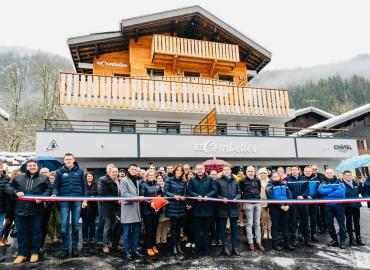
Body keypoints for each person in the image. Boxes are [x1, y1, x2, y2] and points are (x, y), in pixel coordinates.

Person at [6, 159, 51, 264]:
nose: (32, 167)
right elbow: (8, 187)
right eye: (30, 165)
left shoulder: (44, 178)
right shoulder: (18, 177)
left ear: (37, 167)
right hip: (20, 210)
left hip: (36, 210)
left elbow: (48, 189)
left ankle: (34, 253)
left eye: (34, 165)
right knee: (21, 233)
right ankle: (22, 254)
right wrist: (15, 192)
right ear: (26, 167)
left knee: (36, 232)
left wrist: (42, 197)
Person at [53, 153, 87, 258]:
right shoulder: (59, 172)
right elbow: (55, 186)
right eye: (66, 159)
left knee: (76, 226)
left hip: (77, 200)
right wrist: (55, 194)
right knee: (64, 227)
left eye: (70, 159)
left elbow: (84, 186)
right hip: (64, 201)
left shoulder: (80, 171)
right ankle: (65, 249)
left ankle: (75, 248)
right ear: (64, 160)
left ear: (73, 160)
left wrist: (85, 199)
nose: (68, 161)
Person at [187, 164, 217, 256]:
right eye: (198, 169)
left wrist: (208, 196)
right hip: (196, 209)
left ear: (204, 170)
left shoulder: (210, 179)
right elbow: (189, 191)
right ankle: (197, 249)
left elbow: (214, 190)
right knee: (197, 230)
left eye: (201, 169)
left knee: (206, 230)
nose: (199, 170)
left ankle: (206, 249)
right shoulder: (192, 180)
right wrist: (197, 196)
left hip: (207, 208)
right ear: (196, 170)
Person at [266, 172, 295, 251]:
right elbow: (270, 196)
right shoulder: (269, 185)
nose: (275, 178)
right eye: (274, 177)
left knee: (285, 226)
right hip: (274, 208)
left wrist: (288, 205)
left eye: (277, 176)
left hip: (286, 207)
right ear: (271, 177)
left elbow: (289, 195)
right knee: (275, 226)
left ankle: (287, 243)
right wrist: (281, 206)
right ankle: (275, 244)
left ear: (279, 177)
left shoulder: (284, 184)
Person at [318, 169, 346, 249]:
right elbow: (321, 191)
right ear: (325, 174)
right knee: (329, 223)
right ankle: (334, 239)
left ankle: (342, 240)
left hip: (338, 205)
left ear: (333, 173)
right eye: (327, 173)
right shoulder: (323, 183)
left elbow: (341, 192)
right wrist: (333, 190)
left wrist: (328, 194)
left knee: (341, 223)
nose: (329, 174)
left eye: (330, 173)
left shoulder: (339, 182)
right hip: (327, 206)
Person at [216, 165, 241, 256]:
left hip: (233, 207)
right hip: (222, 207)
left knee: (234, 229)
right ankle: (224, 247)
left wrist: (236, 198)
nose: (226, 171)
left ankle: (234, 247)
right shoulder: (218, 181)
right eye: (224, 170)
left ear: (230, 171)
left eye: (228, 170)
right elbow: (216, 194)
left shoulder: (235, 181)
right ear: (222, 171)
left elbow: (239, 193)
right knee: (222, 229)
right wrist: (222, 198)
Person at [286, 166, 313, 248]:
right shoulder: (288, 179)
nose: (294, 171)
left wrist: (303, 195)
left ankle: (308, 240)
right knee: (293, 222)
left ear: (299, 171)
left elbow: (307, 189)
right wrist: (296, 196)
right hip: (294, 203)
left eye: (295, 170)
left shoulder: (304, 179)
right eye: (292, 170)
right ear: (291, 171)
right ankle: (293, 240)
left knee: (305, 221)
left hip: (304, 202)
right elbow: (289, 191)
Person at [120, 164, 143, 259]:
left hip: (136, 210)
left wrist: (138, 199)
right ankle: (126, 251)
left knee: (136, 232)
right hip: (128, 209)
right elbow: (124, 195)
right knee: (126, 233)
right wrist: (137, 198)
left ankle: (134, 250)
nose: (134, 171)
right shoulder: (123, 180)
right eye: (132, 169)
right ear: (128, 170)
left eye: (135, 169)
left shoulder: (136, 181)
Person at [163, 165, 187, 255]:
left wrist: (184, 197)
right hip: (172, 207)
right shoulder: (169, 179)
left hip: (181, 207)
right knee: (173, 228)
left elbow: (185, 192)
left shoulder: (184, 181)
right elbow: (165, 191)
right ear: (175, 171)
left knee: (179, 229)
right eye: (178, 170)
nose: (179, 172)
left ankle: (178, 245)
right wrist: (174, 196)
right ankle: (173, 246)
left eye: (181, 171)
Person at [239, 166, 264, 251]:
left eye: (252, 171)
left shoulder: (257, 180)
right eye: (249, 171)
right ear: (246, 172)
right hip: (248, 203)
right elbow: (240, 192)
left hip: (257, 203)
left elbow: (259, 190)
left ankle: (258, 242)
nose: (250, 172)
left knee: (257, 224)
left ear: (254, 172)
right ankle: (250, 243)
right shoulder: (242, 181)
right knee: (249, 224)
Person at [99, 166, 122, 254]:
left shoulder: (119, 181)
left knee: (117, 226)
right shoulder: (103, 180)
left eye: (116, 171)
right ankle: (105, 245)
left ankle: (115, 244)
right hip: (108, 207)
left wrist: (121, 199)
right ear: (109, 172)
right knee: (107, 227)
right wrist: (116, 199)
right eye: (113, 172)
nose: (115, 173)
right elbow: (102, 193)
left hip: (118, 207)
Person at [140, 170, 163, 256]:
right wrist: (150, 203)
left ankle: (153, 245)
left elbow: (160, 195)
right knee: (148, 230)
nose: (151, 176)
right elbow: (142, 198)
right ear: (146, 176)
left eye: (153, 175)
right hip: (147, 211)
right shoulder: (143, 185)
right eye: (149, 175)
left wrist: (159, 205)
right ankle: (148, 247)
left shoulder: (157, 185)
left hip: (156, 210)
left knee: (154, 229)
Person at [342, 170, 365, 246]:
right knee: (349, 223)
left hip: (356, 206)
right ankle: (351, 239)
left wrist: (362, 183)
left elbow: (362, 192)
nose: (349, 176)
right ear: (344, 176)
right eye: (347, 175)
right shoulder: (341, 184)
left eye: (350, 175)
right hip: (347, 206)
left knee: (357, 223)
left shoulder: (356, 183)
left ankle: (358, 238)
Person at [96, 164, 115, 244]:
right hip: (104, 204)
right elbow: (101, 191)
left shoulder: (115, 179)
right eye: (109, 169)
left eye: (112, 169)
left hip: (113, 205)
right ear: (107, 170)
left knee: (112, 223)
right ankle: (100, 239)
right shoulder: (102, 179)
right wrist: (114, 198)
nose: (111, 171)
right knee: (102, 221)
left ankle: (110, 239)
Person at [1, 168, 20, 247]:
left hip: (17, 206)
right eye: (17, 175)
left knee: (10, 224)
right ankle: (0, 238)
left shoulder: (20, 183)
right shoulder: (10, 182)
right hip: (9, 205)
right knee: (8, 222)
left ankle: (5, 238)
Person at [81, 171, 98, 246]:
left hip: (93, 206)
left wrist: (88, 194)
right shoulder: (83, 184)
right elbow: (82, 193)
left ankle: (92, 237)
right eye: (88, 176)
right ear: (86, 177)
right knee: (84, 223)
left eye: (91, 176)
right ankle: (84, 238)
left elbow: (97, 192)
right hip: (84, 206)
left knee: (92, 223)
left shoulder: (96, 184)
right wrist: (91, 195)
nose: (90, 177)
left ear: (93, 177)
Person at [303, 166, 320, 242]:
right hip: (304, 201)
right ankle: (304, 234)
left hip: (313, 201)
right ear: (304, 172)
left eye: (309, 171)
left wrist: (312, 195)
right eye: (306, 171)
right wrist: (306, 195)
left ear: (311, 171)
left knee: (313, 218)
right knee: (304, 218)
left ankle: (313, 234)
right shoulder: (302, 179)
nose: (308, 172)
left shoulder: (316, 179)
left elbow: (318, 189)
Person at [39, 168, 52, 255]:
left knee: (44, 227)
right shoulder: (37, 182)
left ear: (49, 173)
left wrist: (46, 201)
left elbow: (52, 194)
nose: (44, 173)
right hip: (37, 208)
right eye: (42, 172)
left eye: (46, 172)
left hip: (47, 208)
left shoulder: (52, 183)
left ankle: (41, 245)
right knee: (36, 228)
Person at [155, 174, 171, 245]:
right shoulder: (155, 187)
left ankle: (164, 239)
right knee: (159, 225)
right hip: (160, 209)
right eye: (158, 178)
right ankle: (158, 240)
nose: (160, 179)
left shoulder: (166, 187)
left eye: (161, 178)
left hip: (167, 208)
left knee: (166, 224)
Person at [47, 171, 61, 244]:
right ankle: (51, 237)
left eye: (53, 178)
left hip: (58, 206)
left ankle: (59, 237)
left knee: (59, 222)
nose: (51, 180)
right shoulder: (47, 186)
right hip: (49, 206)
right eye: (50, 178)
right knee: (50, 222)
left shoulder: (59, 186)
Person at [312, 164, 327, 233]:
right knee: (316, 214)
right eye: (313, 169)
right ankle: (319, 226)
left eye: (316, 169)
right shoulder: (309, 176)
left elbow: (323, 185)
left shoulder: (322, 176)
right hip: (314, 198)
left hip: (321, 197)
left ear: (318, 169)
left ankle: (325, 226)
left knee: (323, 212)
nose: (314, 170)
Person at [258, 168, 271, 240]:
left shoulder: (270, 181)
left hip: (269, 202)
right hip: (261, 201)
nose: (263, 174)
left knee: (269, 217)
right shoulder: (257, 181)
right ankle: (265, 230)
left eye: (264, 173)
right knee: (263, 216)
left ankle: (270, 231)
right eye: (261, 173)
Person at [0, 160, 9, 248]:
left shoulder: (6, 178)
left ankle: (3, 238)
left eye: (1, 167)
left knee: (5, 224)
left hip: (5, 206)